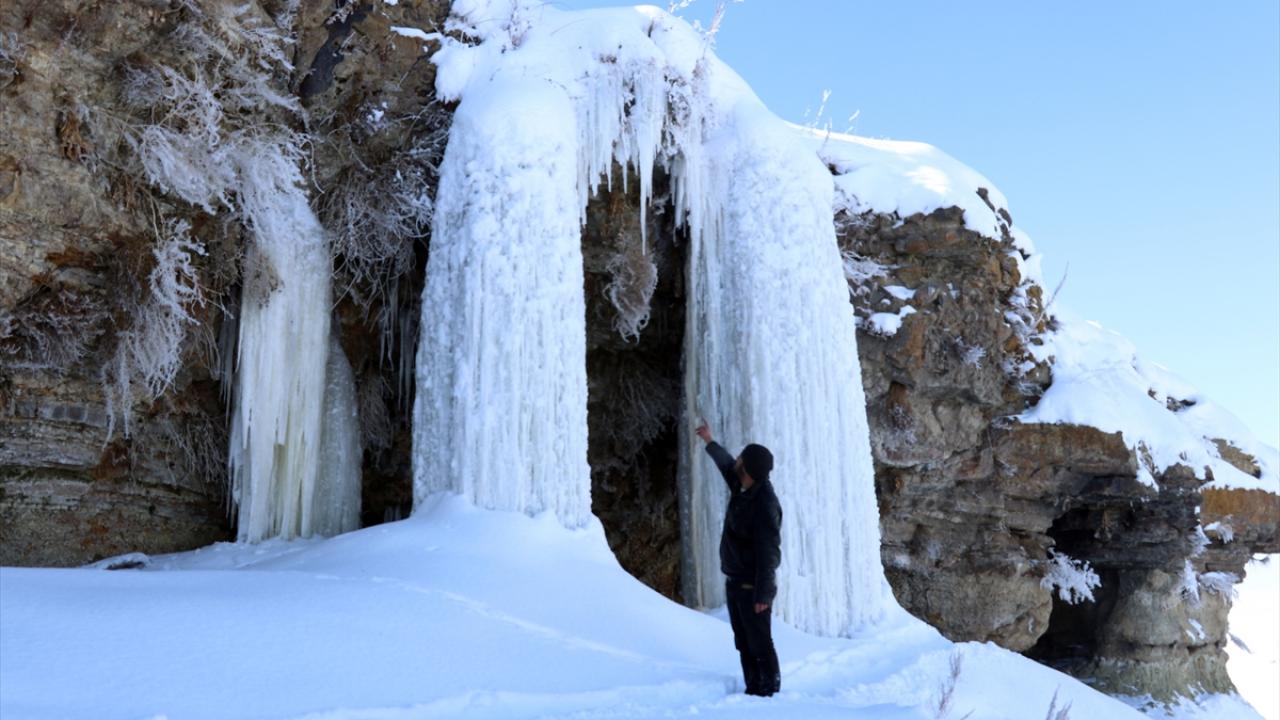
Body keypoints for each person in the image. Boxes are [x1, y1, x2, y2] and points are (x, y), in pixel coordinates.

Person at [694, 421, 782, 697]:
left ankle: (770, 692)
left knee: (759, 642)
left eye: (742, 461)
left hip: (752, 587)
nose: (737, 462)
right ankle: (752, 689)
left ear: (750, 471)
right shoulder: (744, 485)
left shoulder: (764, 504)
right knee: (743, 641)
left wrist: (763, 595)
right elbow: (726, 465)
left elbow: (769, 553)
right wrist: (709, 441)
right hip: (735, 582)